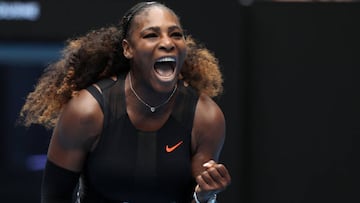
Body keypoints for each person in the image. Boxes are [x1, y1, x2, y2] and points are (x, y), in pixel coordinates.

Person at [18, 1, 231, 202]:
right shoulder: (86, 112)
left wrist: (205, 196)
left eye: (176, 34)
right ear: (128, 49)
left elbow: (197, 197)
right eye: (151, 35)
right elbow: (55, 197)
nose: (167, 42)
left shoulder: (206, 117)